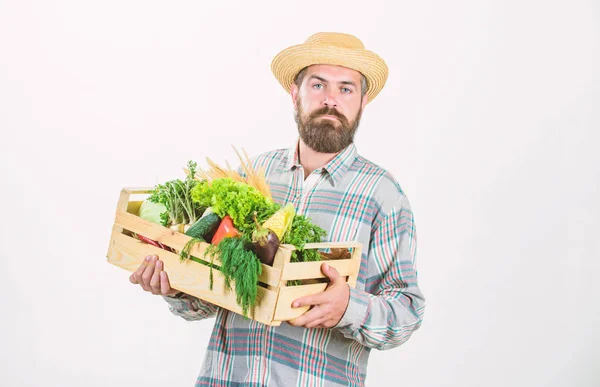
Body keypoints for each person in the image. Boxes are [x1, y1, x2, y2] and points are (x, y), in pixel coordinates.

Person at [130, 32, 426, 386]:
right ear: (295, 93)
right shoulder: (252, 175)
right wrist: (177, 286)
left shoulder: (383, 196)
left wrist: (348, 308)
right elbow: (213, 294)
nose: (331, 99)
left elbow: (406, 312)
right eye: (318, 85)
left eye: (346, 89)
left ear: (362, 102)